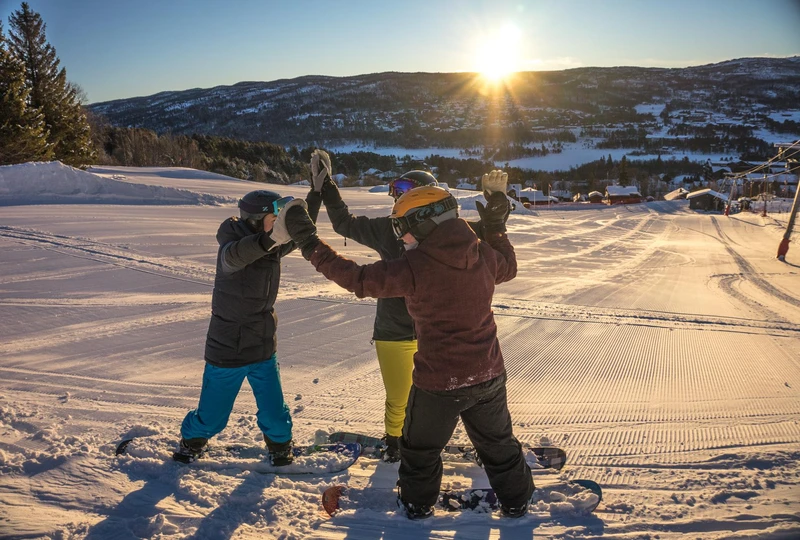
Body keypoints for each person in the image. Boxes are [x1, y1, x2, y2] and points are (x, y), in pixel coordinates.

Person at [272, 179, 534, 519]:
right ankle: (517, 501)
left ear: (424, 223)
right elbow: (509, 267)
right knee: (499, 445)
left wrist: (308, 241)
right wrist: (496, 229)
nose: (400, 237)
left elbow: (358, 279)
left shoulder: (415, 266)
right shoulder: (481, 252)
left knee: (419, 450)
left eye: (402, 227)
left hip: (439, 384)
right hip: (489, 376)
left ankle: (417, 504)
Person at [305, 156, 470, 462]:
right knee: (399, 398)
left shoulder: (451, 233)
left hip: (434, 329)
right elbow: (344, 223)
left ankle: (429, 437)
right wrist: (326, 187)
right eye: (395, 190)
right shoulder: (388, 230)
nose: (398, 196)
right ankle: (395, 443)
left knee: (445, 395)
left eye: (406, 189)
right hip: (394, 331)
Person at [175, 189, 307, 466]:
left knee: (275, 414)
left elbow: (300, 230)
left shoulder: (271, 245)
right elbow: (235, 257)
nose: (281, 221)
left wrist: (319, 193)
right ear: (259, 220)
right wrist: (270, 238)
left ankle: (281, 446)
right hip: (227, 351)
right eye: (276, 216)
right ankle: (192, 441)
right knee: (211, 418)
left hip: (262, 346)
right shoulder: (232, 247)